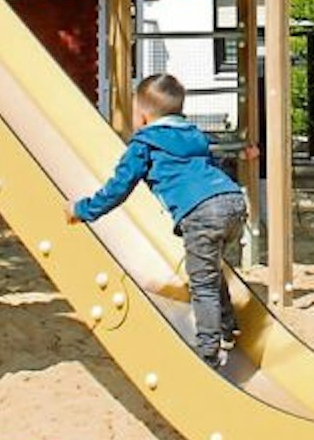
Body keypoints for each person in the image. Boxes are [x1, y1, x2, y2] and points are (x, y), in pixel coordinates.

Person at [68, 74, 246, 366]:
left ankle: (209, 354)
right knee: (210, 270)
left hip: (202, 212)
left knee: (201, 283)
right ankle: (228, 328)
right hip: (233, 201)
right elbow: (210, 168)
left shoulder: (144, 144)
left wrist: (83, 210)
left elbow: (118, 188)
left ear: (142, 115)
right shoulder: (195, 135)